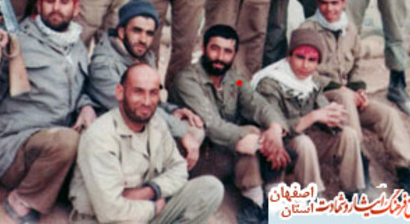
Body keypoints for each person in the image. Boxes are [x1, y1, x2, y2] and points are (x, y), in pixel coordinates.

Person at [0, 0, 96, 223]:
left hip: (52, 153)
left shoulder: (77, 46)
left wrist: (86, 105)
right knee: (67, 141)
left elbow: (81, 89)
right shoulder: (17, 41)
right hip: (14, 151)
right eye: (50, 0)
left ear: (76, 9)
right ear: (39, 6)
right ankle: (21, 200)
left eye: (64, 1)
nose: (56, 7)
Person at [299, 0, 410, 199]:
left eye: (335, 3)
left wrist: (358, 88)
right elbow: (304, 72)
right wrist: (343, 90)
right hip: (321, 98)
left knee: (387, 114)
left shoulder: (350, 29)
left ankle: (409, 176)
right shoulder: (307, 30)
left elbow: (357, 64)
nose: (329, 9)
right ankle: (360, 172)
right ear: (317, 3)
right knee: (344, 97)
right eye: (324, 3)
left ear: (343, 3)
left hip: (347, 97)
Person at [69, 63, 224, 223]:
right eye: (138, 92)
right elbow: (110, 212)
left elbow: (179, 168)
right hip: (107, 220)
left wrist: (151, 191)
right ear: (120, 92)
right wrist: (154, 208)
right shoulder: (100, 137)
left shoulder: (157, 124)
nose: (147, 101)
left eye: (153, 93)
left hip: (145, 209)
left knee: (210, 189)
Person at [170, 24, 292, 222]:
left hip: (225, 154)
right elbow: (213, 124)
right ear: (203, 48)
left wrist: (275, 130)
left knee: (262, 132)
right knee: (250, 133)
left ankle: (270, 202)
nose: (220, 57)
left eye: (227, 51)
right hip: (199, 161)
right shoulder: (188, 81)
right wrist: (253, 140)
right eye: (215, 49)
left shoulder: (235, 80)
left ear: (234, 54)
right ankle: (254, 204)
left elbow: (256, 102)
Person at [86, 0, 204, 169]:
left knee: (194, 128)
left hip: (138, 120)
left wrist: (173, 110)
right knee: (181, 134)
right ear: (121, 32)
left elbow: (151, 101)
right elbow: (130, 106)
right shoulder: (104, 64)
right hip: (114, 128)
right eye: (137, 31)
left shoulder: (144, 56)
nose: (143, 39)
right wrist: (180, 131)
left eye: (149, 33)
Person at [254, 28, 368, 199]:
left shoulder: (311, 81)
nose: (305, 65)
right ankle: (313, 198)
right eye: (300, 57)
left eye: (312, 60)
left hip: (309, 145)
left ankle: (354, 194)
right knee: (303, 142)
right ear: (289, 57)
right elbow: (274, 125)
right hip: (281, 149)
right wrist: (313, 117)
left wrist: (333, 118)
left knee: (348, 134)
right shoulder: (270, 83)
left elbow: (324, 108)